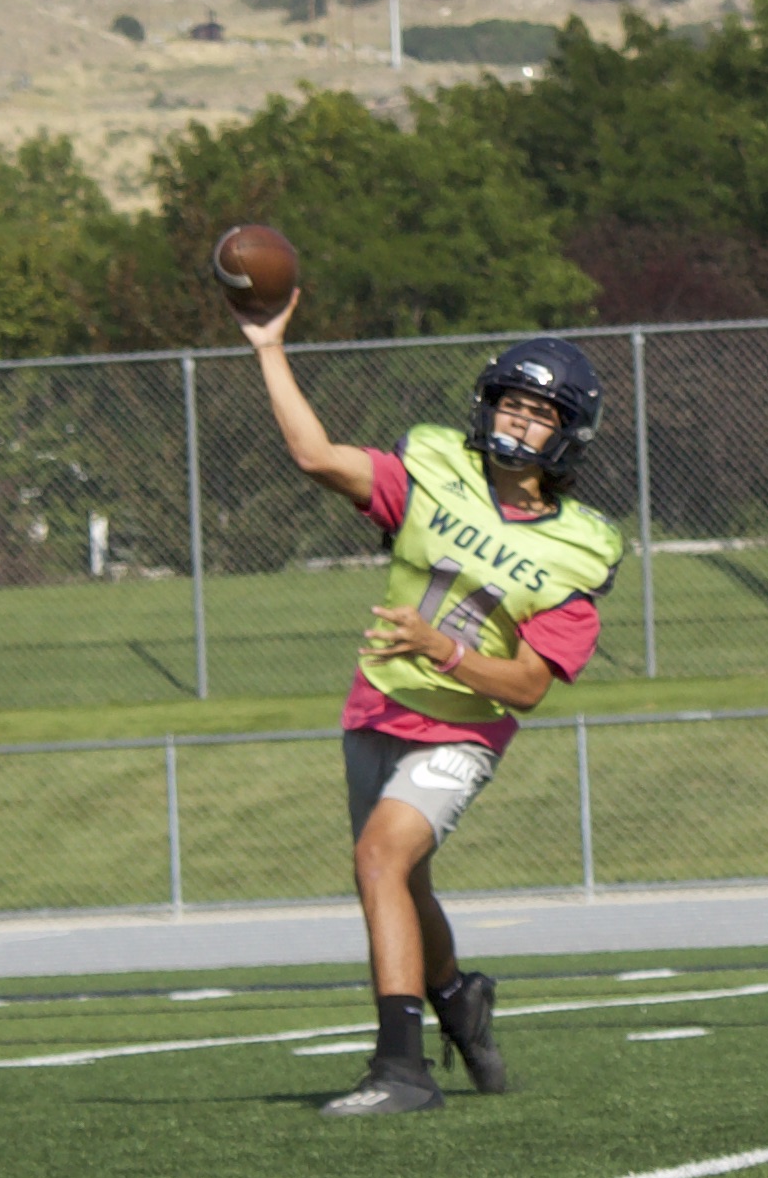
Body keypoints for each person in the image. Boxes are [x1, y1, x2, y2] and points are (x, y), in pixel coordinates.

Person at [237, 293, 622, 1116]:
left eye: (538, 412)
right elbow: (314, 456)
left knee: (379, 860)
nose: (517, 422)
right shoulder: (435, 472)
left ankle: (400, 1070)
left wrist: (442, 648)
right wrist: (267, 347)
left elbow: (525, 685)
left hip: (463, 728)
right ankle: (456, 1000)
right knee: (402, 885)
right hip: (378, 703)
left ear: (567, 435)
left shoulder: (577, 545)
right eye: (510, 403)